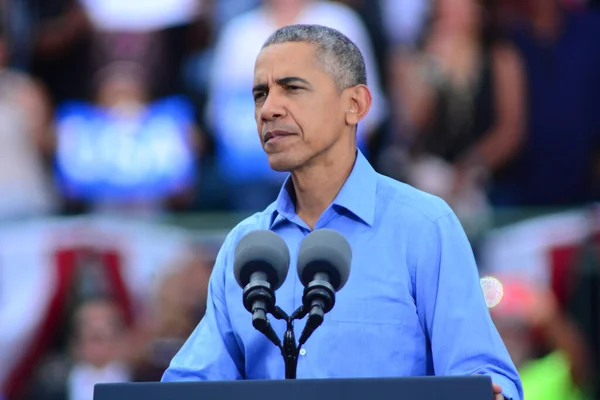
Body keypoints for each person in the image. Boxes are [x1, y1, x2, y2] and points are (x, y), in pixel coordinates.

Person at [162, 24, 522, 400]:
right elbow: (189, 385)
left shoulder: (423, 227)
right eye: (260, 94)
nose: (268, 109)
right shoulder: (246, 246)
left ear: (356, 105)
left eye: (292, 88)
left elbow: (485, 376)